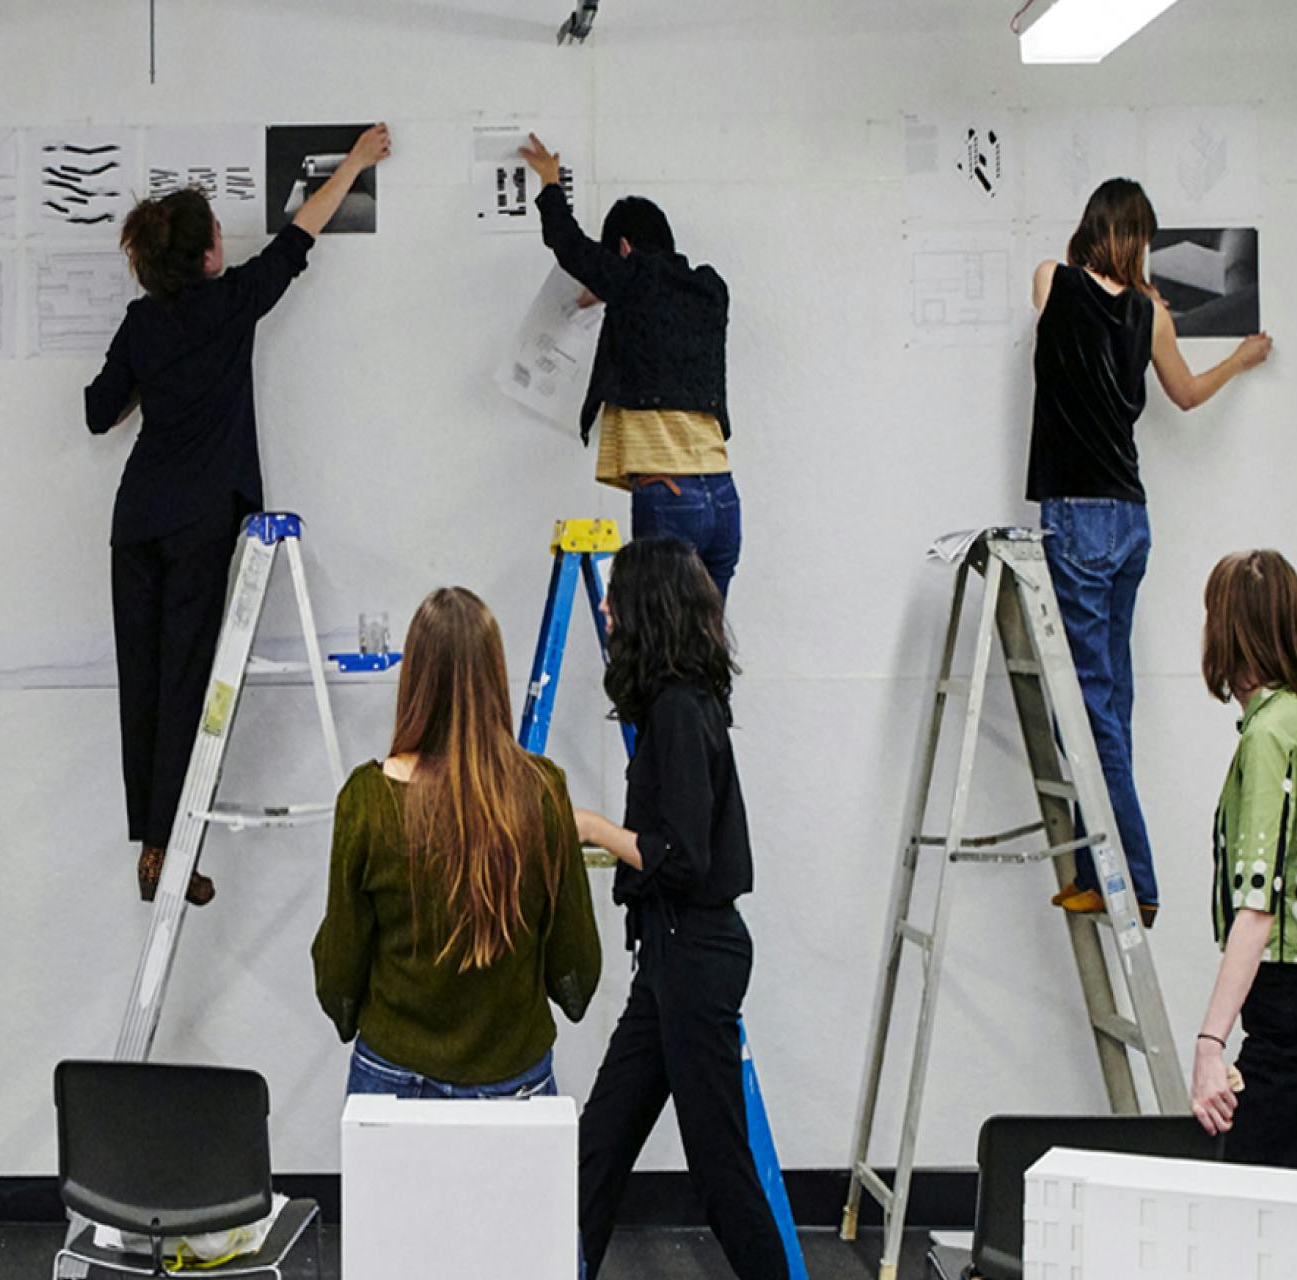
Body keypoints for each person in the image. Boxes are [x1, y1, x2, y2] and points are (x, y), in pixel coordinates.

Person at [85, 124, 394, 907]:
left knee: (143, 687)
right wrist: (355, 163)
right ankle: (168, 850)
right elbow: (300, 236)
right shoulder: (229, 305)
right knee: (186, 689)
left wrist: (144, 389)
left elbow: (96, 413)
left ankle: (154, 847)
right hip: (196, 522)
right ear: (209, 256)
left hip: (135, 522)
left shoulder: (141, 323)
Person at [1030, 177, 1273, 920]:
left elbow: (1061, 302)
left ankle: (1133, 880)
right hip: (1131, 520)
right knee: (1111, 701)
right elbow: (1187, 395)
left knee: (1092, 705)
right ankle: (1092, 867)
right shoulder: (1151, 315)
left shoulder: (1052, 280)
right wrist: (1242, 357)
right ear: (1137, 238)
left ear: (1091, 225)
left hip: (1078, 517)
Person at [570, 539, 789, 1280]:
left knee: (721, 1172)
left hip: (694, 956)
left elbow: (685, 856)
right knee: (596, 1149)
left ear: (646, 607)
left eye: (616, 596)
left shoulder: (678, 709)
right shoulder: (682, 705)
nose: (606, 606)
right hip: (669, 957)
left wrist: (596, 828)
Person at [311, 587, 601, 1099]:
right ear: (495, 676)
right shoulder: (542, 793)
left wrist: (348, 1013)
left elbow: (339, 967)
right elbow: (576, 964)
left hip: (393, 1075)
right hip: (515, 1079)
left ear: (414, 680)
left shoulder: (367, 799)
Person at [1186, 550, 1297, 1280]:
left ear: (1227, 634)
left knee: (1255, 1227)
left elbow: (1253, 913)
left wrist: (1208, 1043)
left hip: (1292, 1013)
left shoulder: (1266, 738)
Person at [519, 134, 740, 602]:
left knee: (661, 649)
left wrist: (550, 182)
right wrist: (613, 293)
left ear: (622, 248)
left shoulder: (636, 280)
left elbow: (569, 244)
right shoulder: (709, 289)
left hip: (670, 497)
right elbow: (658, 311)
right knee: (706, 648)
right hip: (722, 496)